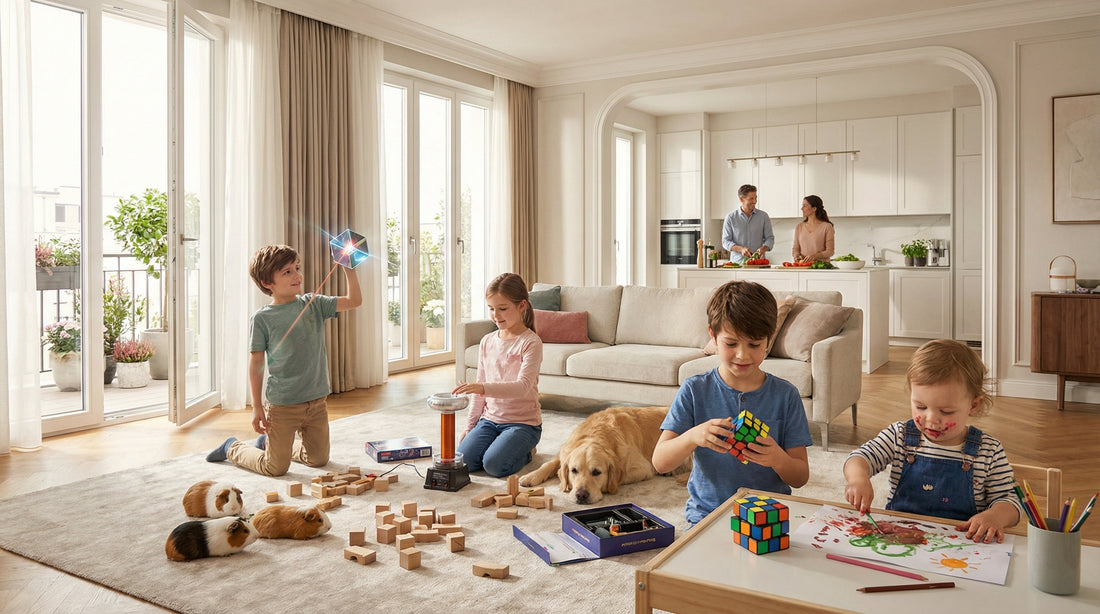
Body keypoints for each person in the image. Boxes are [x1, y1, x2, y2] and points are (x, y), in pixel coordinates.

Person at [652, 281, 811, 526]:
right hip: (707, 515)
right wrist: (693, 436)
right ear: (713, 336)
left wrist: (777, 458)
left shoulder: (786, 395)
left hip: (766, 516)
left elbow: (800, 477)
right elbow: (660, 462)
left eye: (754, 344)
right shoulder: (694, 390)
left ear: (769, 339)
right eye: (731, 343)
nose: (742, 355)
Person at [206, 244, 362, 476]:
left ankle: (267, 444)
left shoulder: (314, 304)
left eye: (297, 268)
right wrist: (257, 406)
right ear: (267, 282)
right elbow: (256, 364)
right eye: (287, 272)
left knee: (318, 460)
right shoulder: (262, 318)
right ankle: (232, 447)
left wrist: (349, 268)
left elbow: (354, 300)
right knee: (275, 468)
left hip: (316, 401)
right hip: (283, 404)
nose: (297, 275)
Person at [843, 339, 1021, 543]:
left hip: (960, 545)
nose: (931, 419)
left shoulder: (988, 450)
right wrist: (858, 478)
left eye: (946, 411)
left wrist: (995, 516)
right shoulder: (900, 435)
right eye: (920, 407)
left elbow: (1011, 500)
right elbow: (860, 457)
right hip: (899, 538)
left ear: (973, 405)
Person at [453, 273, 543, 478]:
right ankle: (499, 444)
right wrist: (470, 427)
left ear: (521, 306)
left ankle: (527, 451)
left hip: (523, 424)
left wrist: (483, 387)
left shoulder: (531, 342)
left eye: (502, 309)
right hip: (490, 420)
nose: (496, 315)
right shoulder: (487, 341)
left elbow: (523, 387)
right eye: (491, 308)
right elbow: (479, 395)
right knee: (464, 461)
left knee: (493, 465)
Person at [722, 184, 775, 265]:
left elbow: (770, 238)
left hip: (758, 264)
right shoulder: (731, 218)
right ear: (741, 199)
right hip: (737, 265)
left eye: (756, 198)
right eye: (751, 199)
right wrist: (741, 249)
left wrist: (764, 248)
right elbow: (725, 241)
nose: (755, 201)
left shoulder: (763, 216)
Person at [792, 195, 835, 263]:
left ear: (814, 208)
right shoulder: (799, 227)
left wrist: (815, 256)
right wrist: (796, 256)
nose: (802, 208)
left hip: (821, 266)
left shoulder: (827, 227)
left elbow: (830, 251)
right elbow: (796, 248)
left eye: (805, 206)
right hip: (803, 266)